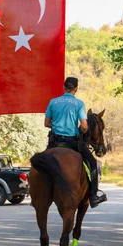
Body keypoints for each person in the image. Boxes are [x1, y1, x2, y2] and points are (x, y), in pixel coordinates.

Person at [44, 76, 106, 208]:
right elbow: (84, 126)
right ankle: (94, 195)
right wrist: (82, 132)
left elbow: (46, 123)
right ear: (76, 89)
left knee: (41, 162)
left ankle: (37, 193)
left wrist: (57, 126)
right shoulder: (79, 104)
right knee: (93, 163)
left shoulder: (53, 102)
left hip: (54, 141)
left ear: (63, 87)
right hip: (71, 141)